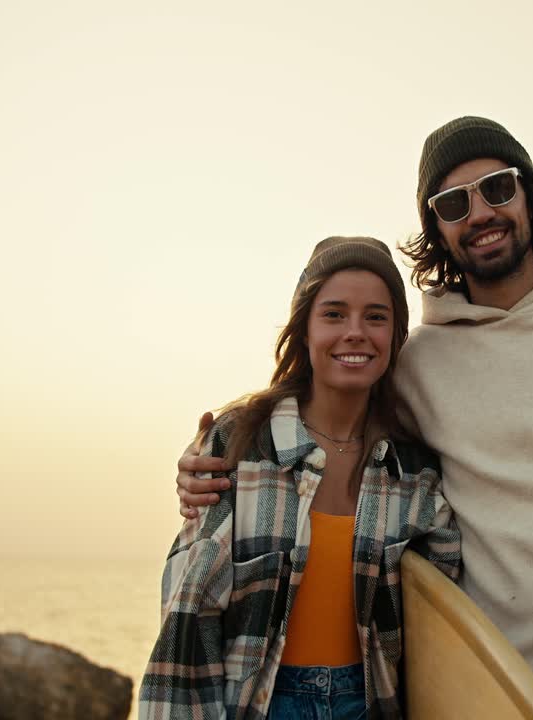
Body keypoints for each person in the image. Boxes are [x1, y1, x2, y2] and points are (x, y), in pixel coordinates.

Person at [176, 118, 533, 720]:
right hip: (487, 698)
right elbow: (320, 419)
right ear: (436, 228)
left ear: (529, 198)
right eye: (453, 202)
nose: (480, 212)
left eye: (497, 189)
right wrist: (210, 467)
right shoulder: (416, 367)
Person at [140, 237, 462, 720]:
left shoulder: (413, 471)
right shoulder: (241, 445)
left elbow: (439, 628)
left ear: (395, 335)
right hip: (259, 703)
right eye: (333, 314)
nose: (355, 332)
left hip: (371, 704)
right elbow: (190, 616)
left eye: (375, 316)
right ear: (304, 330)